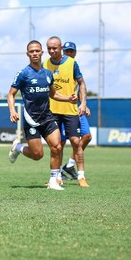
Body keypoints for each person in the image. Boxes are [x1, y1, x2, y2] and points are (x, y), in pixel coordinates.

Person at [7, 41, 77, 190]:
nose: (35, 53)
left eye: (37, 51)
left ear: (41, 53)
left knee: (57, 147)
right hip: (31, 120)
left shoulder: (47, 74)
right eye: (31, 51)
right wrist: (12, 110)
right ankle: (18, 147)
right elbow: (11, 94)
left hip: (48, 117)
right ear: (27, 54)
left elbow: (54, 94)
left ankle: (53, 181)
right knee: (38, 155)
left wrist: (68, 98)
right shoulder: (23, 74)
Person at [43, 36, 89, 187]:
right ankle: (56, 177)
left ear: (60, 48)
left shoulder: (72, 63)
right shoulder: (45, 64)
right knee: (56, 145)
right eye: (49, 48)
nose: (52, 51)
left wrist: (83, 103)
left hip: (70, 110)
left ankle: (81, 176)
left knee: (76, 141)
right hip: (52, 111)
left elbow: (81, 83)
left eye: (55, 48)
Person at [60, 41, 92, 180]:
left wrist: (84, 104)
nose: (69, 53)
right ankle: (57, 173)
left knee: (87, 136)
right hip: (60, 109)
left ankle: (70, 164)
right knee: (60, 143)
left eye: (71, 51)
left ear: (75, 52)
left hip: (74, 109)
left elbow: (80, 86)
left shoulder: (74, 67)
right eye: (66, 51)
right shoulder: (58, 66)